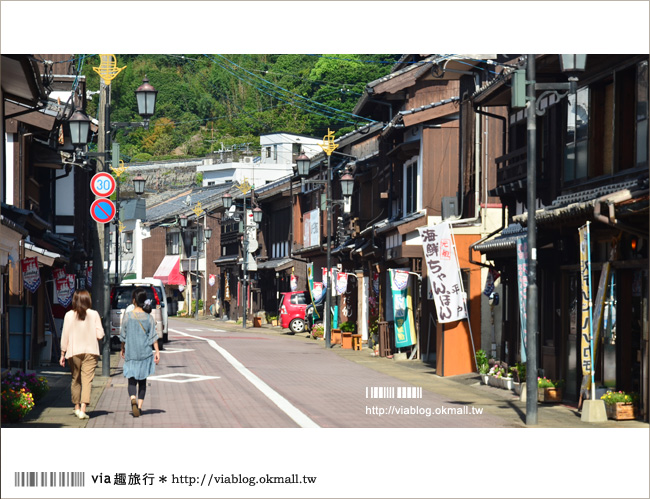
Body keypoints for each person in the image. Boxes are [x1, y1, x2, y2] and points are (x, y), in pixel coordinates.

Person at [59, 289, 105, 420]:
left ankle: (77, 407)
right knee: (87, 380)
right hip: (91, 351)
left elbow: (65, 336)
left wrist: (62, 353)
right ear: (88, 300)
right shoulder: (94, 314)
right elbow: (100, 335)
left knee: (75, 378)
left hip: (73, 352)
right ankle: (83, 409)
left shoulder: (68, 315)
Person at [120, 287, 160, 417]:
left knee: (131, 380)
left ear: (133, 301)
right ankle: (140, 407)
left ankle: (133, 399)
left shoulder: (127, 317)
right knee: (142, 381)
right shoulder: (149, 318)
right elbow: (153, 336)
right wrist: (157, 352)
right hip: (145, 353)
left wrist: (122, 348)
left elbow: (123, 335)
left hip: (131, 352)